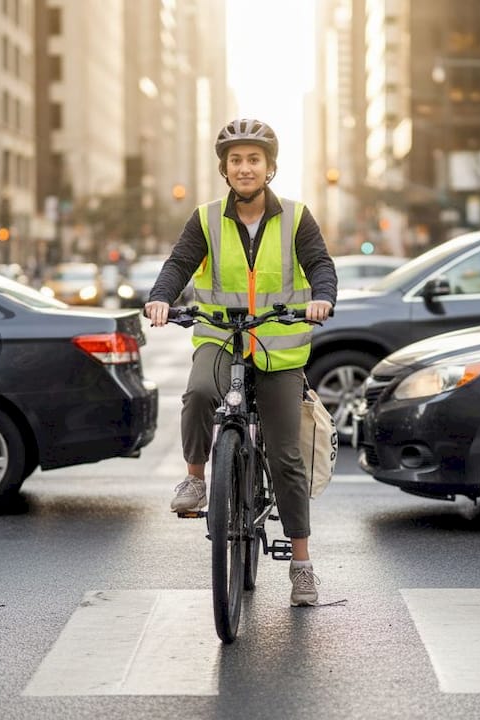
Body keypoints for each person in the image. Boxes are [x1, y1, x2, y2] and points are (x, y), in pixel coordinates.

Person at [144, 118, 337, 607]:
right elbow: (178, 263)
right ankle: (195, 477)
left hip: (278, 346)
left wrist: (322, 298)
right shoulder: (206, 218)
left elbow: (319, 264)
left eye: (254, 159)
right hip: (222, 335)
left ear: (269, 168)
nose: (245, 167)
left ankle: (301, 565)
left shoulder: (296, 216)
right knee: (199, 393)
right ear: (224, 169)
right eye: (236, 160)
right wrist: (161, 298)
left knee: (285, 455)